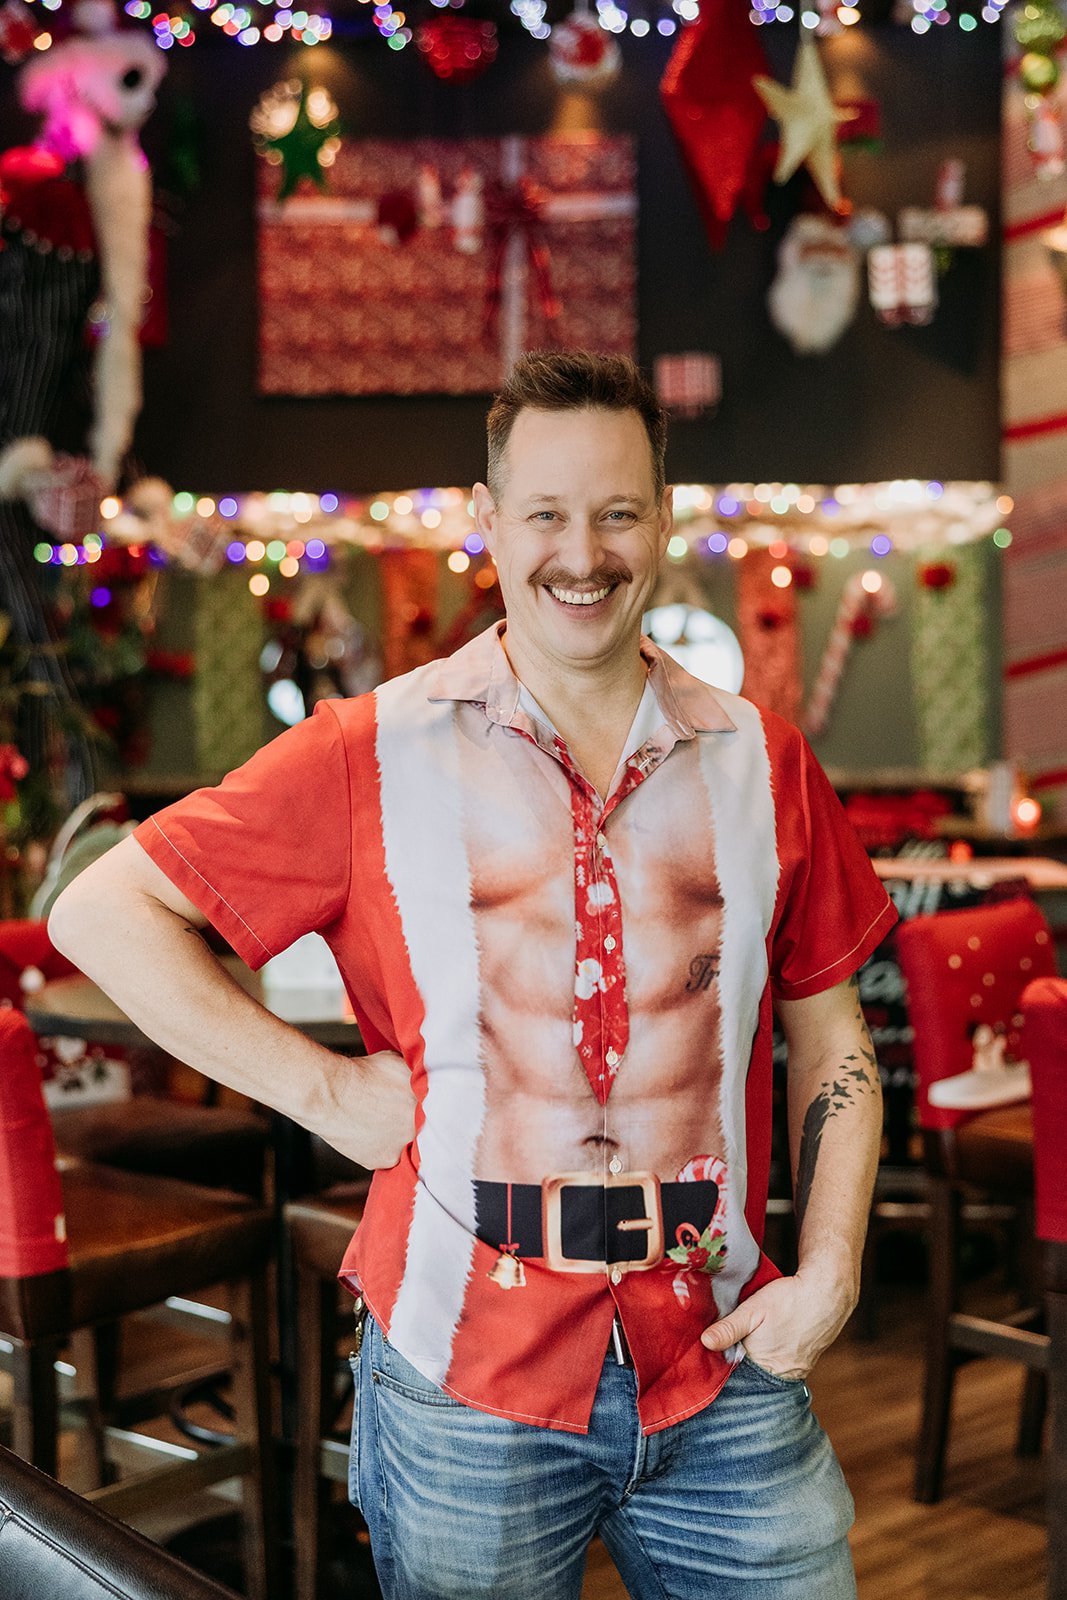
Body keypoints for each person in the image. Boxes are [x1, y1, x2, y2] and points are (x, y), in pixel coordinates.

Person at [50, 351, 897, 1600]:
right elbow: (102, 909)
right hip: (465, 1372)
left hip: (718, 1353)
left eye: (616, 511)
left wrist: (830, 1264)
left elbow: (834, 1039)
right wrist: (331, 1098)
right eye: (545, 514)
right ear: (489, 524)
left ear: (660, 519)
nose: (583, 552)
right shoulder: (370, 749)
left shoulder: (758, 762)